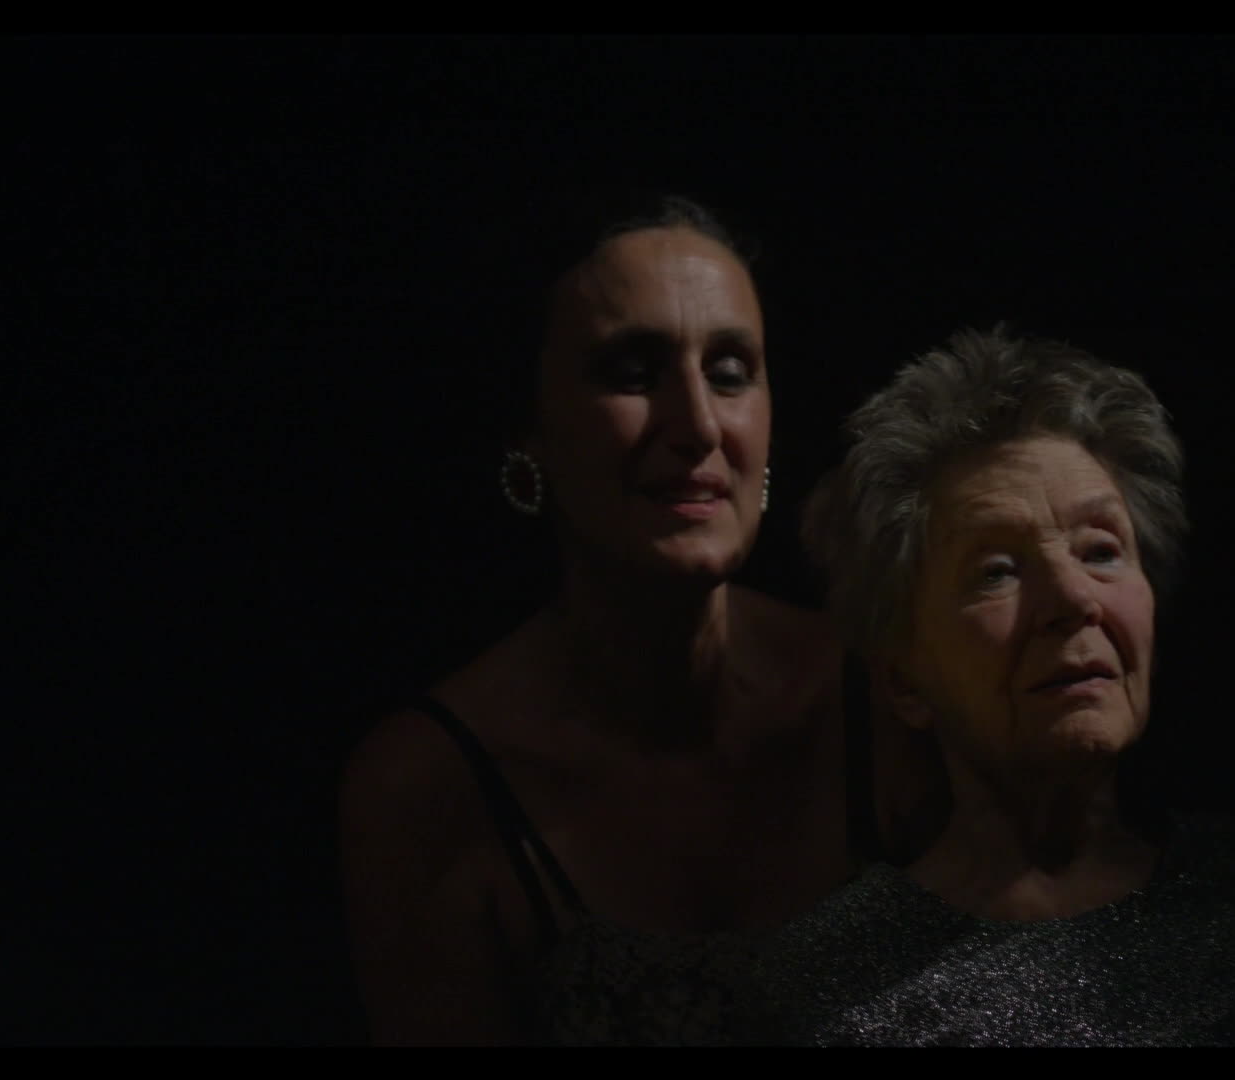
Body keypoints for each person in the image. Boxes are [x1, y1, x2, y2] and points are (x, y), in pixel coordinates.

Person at [336, 195, 885, 1045]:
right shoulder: (429, 790)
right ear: (530, 434)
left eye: (729, 372)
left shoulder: (884, 694)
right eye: (633, 372)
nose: (698, 425)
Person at [752, 325, 1235, 1046]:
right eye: (996, 571)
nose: (1074, 598)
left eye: (1101, 551)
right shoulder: (827, 983)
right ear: (903, 679)